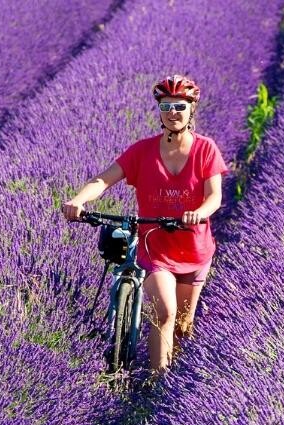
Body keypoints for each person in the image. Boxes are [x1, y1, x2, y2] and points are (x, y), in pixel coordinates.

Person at [61, 74, 226, 373]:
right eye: (166, 106)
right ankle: (155, 382)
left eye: (179, 106)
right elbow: (103, 179)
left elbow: (214, 197)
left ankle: (168, 392)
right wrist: (79, 201)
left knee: (182, 325)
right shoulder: (142, 151)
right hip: (156, 249)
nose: (173, 112)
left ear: (191, 110)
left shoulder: (206, 150)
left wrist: (200, 212)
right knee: (165, 312)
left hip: (195, 249)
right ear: (159, 110)